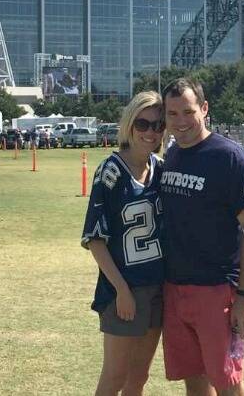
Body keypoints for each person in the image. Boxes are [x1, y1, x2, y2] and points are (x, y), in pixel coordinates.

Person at [160, 78, 244, 395]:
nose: (181, 122)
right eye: (172, 113)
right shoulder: (173, 155)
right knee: (194, 381)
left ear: (204, 109)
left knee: (227, 383)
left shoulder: (229, 158)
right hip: (176, 290)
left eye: (188, 111)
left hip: (218, 292)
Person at [81, 91, 165, 396]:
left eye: (158, 125)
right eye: (143, 124)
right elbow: (95, 240)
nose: (150, 132)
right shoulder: (111, 171)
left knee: (138, 378)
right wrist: (122, 290)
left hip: (158, 288)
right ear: (129, 124)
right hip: (125, 291)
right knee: (114, 378)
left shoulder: (160, 169)